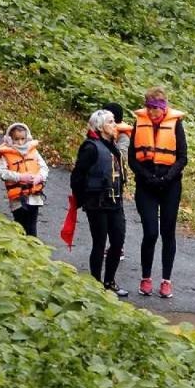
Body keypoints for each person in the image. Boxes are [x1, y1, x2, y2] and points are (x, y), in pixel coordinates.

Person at [130, 88, 186, 298]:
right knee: (151, 231)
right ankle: (146, 278)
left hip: (170, 184)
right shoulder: (140, 123)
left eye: (156, 108)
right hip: (146, 185)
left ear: (164, 108)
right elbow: (132, 158)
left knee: (168, 232)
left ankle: (166, 280)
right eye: (149, 107)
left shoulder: (175, 124)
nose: (152, 112)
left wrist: (167, 177)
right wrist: (147, 176)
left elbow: (182, 158)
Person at [70, 109, 129, 297]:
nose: (115, 125)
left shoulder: (114, 147)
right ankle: (95, 284)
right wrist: (83, 199)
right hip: (97, 203)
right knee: (99, 243)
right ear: (101, 126)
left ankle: (109, 281)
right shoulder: (91, 147)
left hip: (115, 202)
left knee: (118, 241)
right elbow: (77, 176)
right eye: (111, 122)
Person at [0, 122, 48, 237]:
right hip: (17, 198)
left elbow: (44, 168)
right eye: (16, 139)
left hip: (34, 196)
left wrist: (39, 177)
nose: (20, 142)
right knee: (20, 226)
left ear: (27, 138)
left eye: (22, 139)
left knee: (31, 228)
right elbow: (2, 173)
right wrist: (20, 177)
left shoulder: (33, 151)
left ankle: (33, 251)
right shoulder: (6, 155)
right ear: (10, 139)